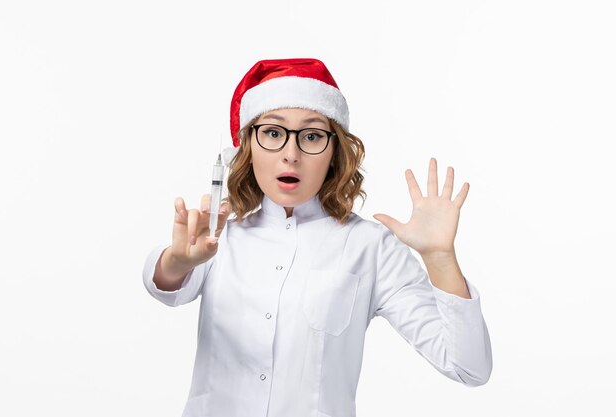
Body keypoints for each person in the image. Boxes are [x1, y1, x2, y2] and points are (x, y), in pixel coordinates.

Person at [142, 58, 492, 417]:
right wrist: (178, 260)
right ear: (249, 147)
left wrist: (439, 258)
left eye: (311, 136)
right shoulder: (216, 237)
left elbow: (468, 367)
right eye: (273, 133)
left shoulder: (370, 248)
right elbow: (164, 286)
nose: (290, 155)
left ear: (334, 152)